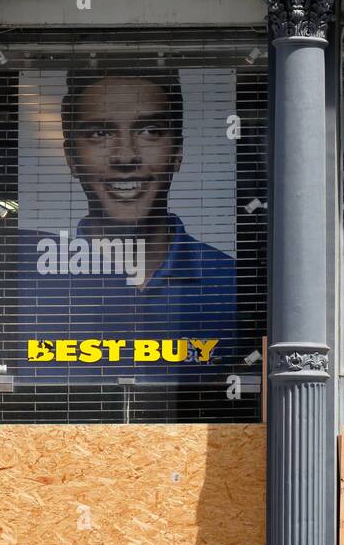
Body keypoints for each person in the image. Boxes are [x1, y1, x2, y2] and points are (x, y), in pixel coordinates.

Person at [15, 67, 242, 379]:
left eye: (149, 131)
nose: (125, 157)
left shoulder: (233, 286)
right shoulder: (27, 279)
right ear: (71, 157)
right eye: (99, 133)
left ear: (178, 152)